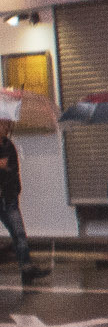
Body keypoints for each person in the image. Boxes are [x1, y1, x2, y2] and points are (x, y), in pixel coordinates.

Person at [1, 119, 51, 284]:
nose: (6, 129)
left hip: (8, 197)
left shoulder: (8, 146)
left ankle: (26, 268)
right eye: (2, 125)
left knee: (19, 233)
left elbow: (14, 170)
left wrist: (8, 173)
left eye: (7, 125)